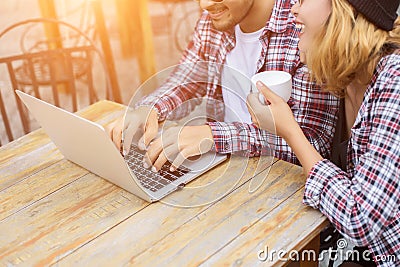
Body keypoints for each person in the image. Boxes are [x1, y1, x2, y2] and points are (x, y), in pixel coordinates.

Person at [248, 0, 400, 266]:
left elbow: (360, 218)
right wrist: (215, 138)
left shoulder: (394, 81)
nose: (293, 8)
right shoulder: (346, 79)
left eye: (304, 0)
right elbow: (316, 151)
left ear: (347, 10)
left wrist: (290, 131)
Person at [109, 0, 339, 172]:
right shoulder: (218, 15)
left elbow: (312, 143)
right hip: (223, 166)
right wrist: (151, 108)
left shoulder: (305, 26)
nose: (205, 4)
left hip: (278, 183)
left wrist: (212, 135)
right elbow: (189, 78)